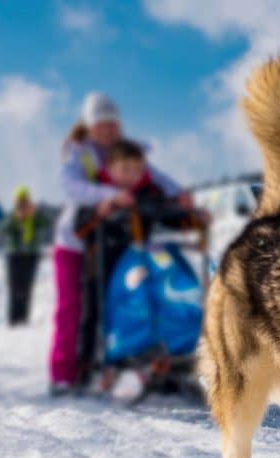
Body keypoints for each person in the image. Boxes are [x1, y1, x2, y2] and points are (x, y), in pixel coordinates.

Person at [49, 92, 191, 396]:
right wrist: (109, 197)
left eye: (112, 124)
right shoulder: (80, 153)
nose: (107, 130)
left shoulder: (124, 152)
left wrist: (179, 195)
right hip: (76, 241)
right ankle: (65, 374)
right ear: (89, 126)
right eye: (101, 124)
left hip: (114, 240)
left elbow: (156, 178)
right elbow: (72, 187)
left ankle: (134, 364)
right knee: (73, 308)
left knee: (125, 299)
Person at [3, 186, 50, 325]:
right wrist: (16, 219)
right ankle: (13, 318)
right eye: (19, 200)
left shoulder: (34, 214)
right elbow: (4, 228)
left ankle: (24, 318)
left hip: (31, 254)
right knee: (14, 286)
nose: (22, 204)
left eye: (24, 200)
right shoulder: (12, 214)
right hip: (14, 254)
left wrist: (35, 214)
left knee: (27, 286)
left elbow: (47, 223)